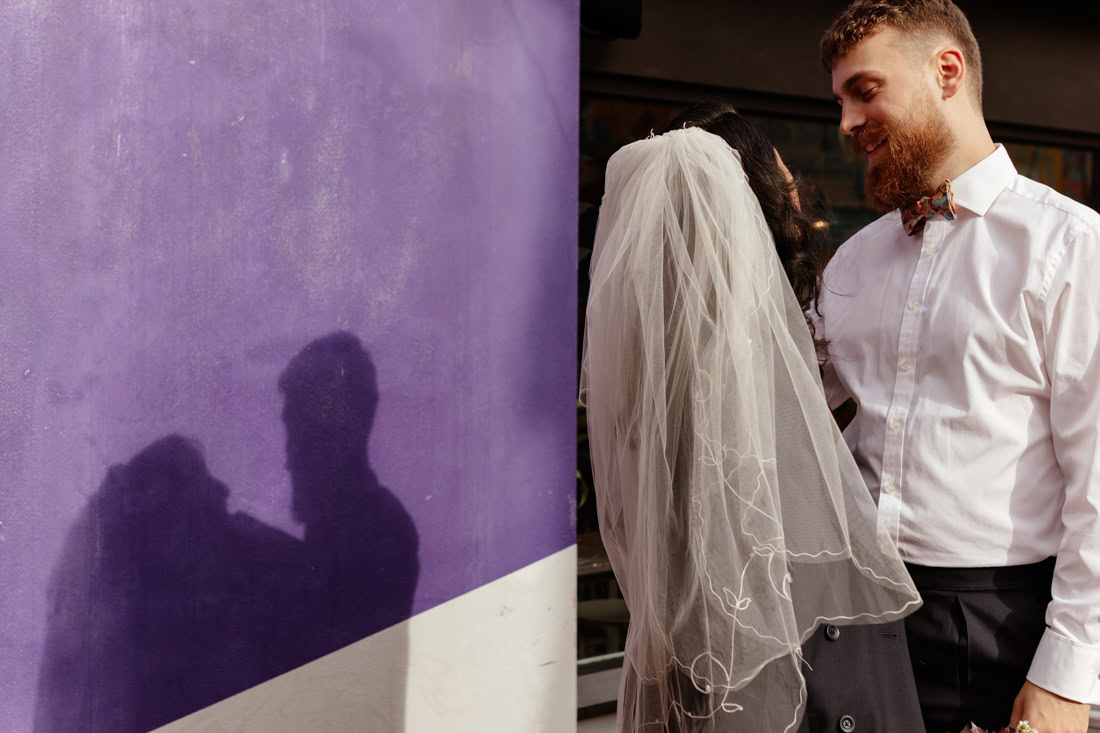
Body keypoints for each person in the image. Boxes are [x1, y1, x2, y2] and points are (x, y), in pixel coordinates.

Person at [580, 104, 921, 732]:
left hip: (700, 652)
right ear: (748, 208)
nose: (798, 206)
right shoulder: (745, 360)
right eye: (785, 187)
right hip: (795, 659)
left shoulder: (651, 365)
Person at [819, 2, 1100, 731]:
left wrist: (1067, 676)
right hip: (849, 618)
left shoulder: (1071, 248)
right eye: (840, 101)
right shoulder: (850, 262)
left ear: (946, 71)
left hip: (997, 626)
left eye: (865, 91)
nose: (846, 122)